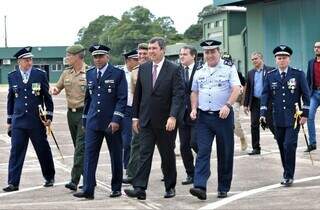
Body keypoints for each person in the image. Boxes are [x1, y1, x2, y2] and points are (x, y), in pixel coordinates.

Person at [124, 37, 185, 200]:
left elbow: (178, 95)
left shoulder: (173, 69)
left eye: (154, 48)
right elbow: (138, 95)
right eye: (149, 48)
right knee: (144, 154)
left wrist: (173, 116)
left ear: (162, 50)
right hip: (146, 121)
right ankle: (140, 188)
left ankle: (170, 187)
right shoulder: (143, 69)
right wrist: (135, 117)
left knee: (167, 156)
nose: (150, 51)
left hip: (166, 122)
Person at [73, 44, 127, 199]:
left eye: (100, 56)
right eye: (95, 57)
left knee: (115, 155)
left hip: (112, 123)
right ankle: (88, 189)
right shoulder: (90, 74)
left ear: (107, 57)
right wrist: (84, 119)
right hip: (93, 122)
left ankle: (116, 187)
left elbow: (122, 98)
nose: (97, 59)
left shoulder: (117, 73)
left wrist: (116, 119)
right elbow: (88, 99)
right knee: (89, 156)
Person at [189, 40, 241, 200]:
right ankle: (200, 186)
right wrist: (193, 108)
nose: (210, 55)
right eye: (207, 52)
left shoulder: (229, 68)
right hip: (204, 117)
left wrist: (228, 105)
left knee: (225, 152)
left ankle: (223, 187)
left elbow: (236, 89)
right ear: (203, 54)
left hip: (223, 116)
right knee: (202, 151)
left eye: (213, 52)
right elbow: (194, 91)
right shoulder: (199, 70)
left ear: (219, 52)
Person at [3, 47, 55, 192]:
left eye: (31, 59)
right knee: (16, 152)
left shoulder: (40, 75)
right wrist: (9, 120)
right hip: (18, 121)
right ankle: (13, 182)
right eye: (26, 60)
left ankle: (49, 177)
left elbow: (47, 98)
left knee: (43, 149)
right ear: (19, 61)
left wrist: (49, 117)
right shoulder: (12, 76)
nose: (30, 62)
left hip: (36, 121)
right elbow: (11, 99)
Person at [260, 45, 310, 186]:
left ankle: (288, 175)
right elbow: (265, 95)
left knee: (289, 145)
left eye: (284, 58)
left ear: (289, 59)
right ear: (275, 60)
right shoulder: (270, 75)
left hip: (294, 117)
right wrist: (263, 113)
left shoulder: (298, 74)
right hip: (277, 117)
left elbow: (306, 96)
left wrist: (305, 114)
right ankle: (286, 171)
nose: (282, 60)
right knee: (282, 145)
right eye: (279, 58)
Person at [51, 44, 87, 191]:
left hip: (84, 113)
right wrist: (54, 89)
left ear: (78, 56)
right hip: (70, 114)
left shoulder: (89, 72)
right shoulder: (66, 73)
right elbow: (57, 87)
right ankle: (89, 178)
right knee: (79, 148)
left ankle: (74, 180)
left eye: (69, 55)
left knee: (80, 148)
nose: (67, 58)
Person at [123, 43, 149, 184]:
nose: (142, 56)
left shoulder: (163, 69)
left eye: (145, 53)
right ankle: (132, 174)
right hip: (141, 114)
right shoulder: (134, 72)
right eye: (140, 54)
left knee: (166, 148)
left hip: (160, 114)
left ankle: (169, 175)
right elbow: (134, 97)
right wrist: (135, 117)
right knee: (136, 143)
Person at [244, 52, 275, 155]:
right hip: (255, 102)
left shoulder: (270, 70)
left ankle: (280, 139)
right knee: (254, 125)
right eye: (252, 59)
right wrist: (245, 104)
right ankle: (256, 148)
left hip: (267, 101)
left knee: (270, 122)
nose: (253, 61)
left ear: (261, 58)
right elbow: (247, 89)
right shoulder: (250, 73)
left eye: (255, 59)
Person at [178, 45, 199, 185]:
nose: (181, 57)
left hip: (197, 112)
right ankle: (190, 174)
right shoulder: (177, 70)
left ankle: (201, 169)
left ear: (193, 56)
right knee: (184, 145)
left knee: (194, 143)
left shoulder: (201, 69)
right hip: (182, 113)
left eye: (185, 54)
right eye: (180, 54)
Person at [222, 53, 247, 151]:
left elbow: (244, 86)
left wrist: (243, 100)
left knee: (235, 123)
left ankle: (242, 137)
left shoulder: (237, 73)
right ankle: (227, 146)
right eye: (224, 60)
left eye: (228, 61)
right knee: (223, 126)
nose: (226, 63)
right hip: (222, 102)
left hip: (235, 101)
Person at [121, 49, 139, 173]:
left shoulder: (140, 71)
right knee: (127, 141)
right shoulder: (120, 73)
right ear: (128, 61)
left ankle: (135, 168)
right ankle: (127, 167)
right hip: (126, 110)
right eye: (135, 60)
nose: (138, 61)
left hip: (138, 109)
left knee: (138, 140)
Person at [306, 41, 320, 152]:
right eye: (315, 47)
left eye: (319, 47)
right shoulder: (311, 62)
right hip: (314, 94)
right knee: (309, 117)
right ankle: (312, 143)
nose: (317, 49)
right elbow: (308, 80)